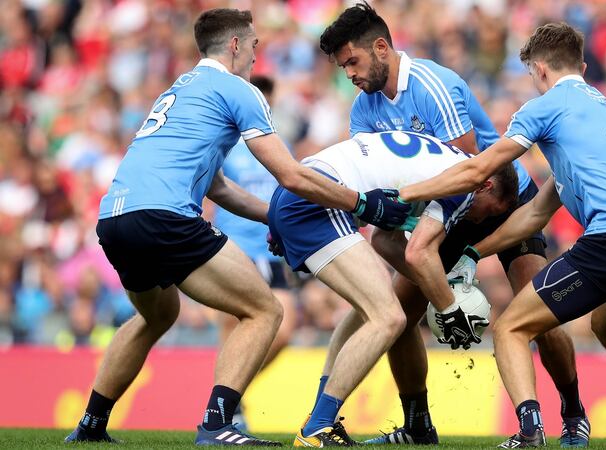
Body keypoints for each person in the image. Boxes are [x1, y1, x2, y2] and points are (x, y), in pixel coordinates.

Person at [64, 8, 412, 446]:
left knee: (157, 314)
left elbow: (219, 188)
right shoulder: (237, 89)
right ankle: (217, 424)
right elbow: (292, 175)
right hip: (165, 217)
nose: (255, 55)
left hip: (115, 217)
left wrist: (275, 219)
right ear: (235, 45)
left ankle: (91, 424)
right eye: (253, 46)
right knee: (265, 311)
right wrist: (363, 203)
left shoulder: (180, 88)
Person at [399, 23, 606, 449]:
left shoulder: (545, 107)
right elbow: (536, 213)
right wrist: (473, 252)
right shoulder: (598, 109)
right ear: (582, 67)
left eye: (531, 75)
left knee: (510, 329)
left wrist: (405, 193)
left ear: (539, 70)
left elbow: (478, 168)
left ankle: (529, 432)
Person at [317, 3, 588, 447]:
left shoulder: (432, 85)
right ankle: (418, 425)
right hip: (441, 210)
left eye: (352, 61)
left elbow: (464, 171)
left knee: (538, 310)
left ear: (381, 47)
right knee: (395, 315)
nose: (349, 74)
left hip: (499, 197)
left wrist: (444, 277)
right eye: (343, 66)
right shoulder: (364, 110)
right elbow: (371, 181)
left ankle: (573, 413)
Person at [267, 131, 517, 447]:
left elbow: (386, 241)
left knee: (371, 312)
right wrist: (451, 308)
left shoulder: (438, 167)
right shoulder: (467, 181)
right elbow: (419, 253)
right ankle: (317, 427)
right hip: (318, 199)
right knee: (389, 318)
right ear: (487, 186)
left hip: (301, 191)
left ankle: (318, 419)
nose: (479, 220)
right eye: (490, 211)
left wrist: (436, 286)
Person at [211, 75, 297, 430]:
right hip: (234, 248)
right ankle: (225, 409)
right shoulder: (227, 144)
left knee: (285, 330)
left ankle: (231, 393)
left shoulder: (280, 144)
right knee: (232, 329)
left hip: (271, 251)